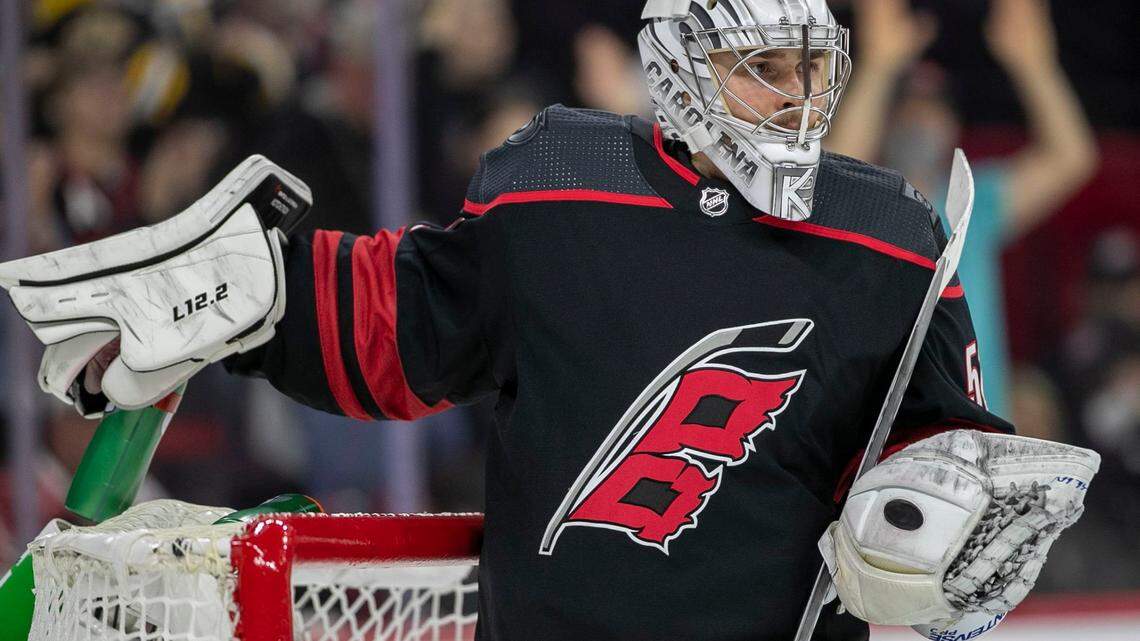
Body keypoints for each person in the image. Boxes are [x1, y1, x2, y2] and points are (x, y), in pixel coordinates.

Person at [0, 2, 1100, 640]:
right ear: (678, 66)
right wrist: (260, 302)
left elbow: (942, 432)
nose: (800, 98)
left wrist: (953, 492)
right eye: (763, 70)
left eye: (813, 68)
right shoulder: (561, 187)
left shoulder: (891, 233)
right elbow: (407, 328)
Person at [826, 0, 1100, 418]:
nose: (921, 119)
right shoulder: (863, 201)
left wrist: (1034, 64)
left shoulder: (974, 199)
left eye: (935, 108)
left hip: (974, 437)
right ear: (884, 120)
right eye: (908, 107)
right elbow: (830, 172)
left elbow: (1072, 156)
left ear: (954, 125)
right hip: (880, 438)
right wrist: (879, 68)